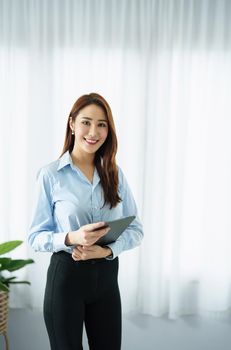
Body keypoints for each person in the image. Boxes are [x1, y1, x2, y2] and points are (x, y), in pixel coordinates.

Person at [28, 92, 143, 350]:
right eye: (86, 122)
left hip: (106, 281)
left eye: (102, 124)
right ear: (72, 124)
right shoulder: (50, 175)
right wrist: (72, 237)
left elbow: (136, 228)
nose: (93, 131)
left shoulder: (115, 173)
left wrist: (107, 249)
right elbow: (35, 236)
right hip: (67, 279)